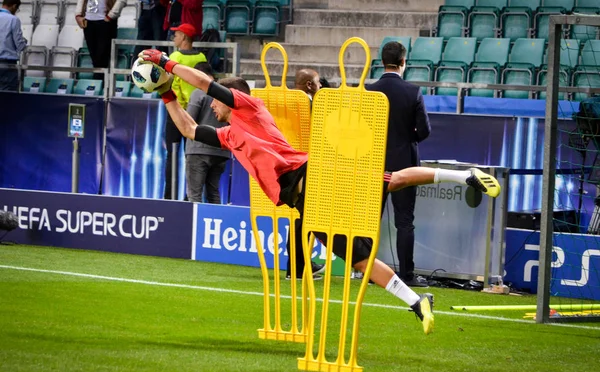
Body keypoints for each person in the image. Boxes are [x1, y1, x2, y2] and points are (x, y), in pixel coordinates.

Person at [139, 49, 502, 335]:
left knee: (390, 180)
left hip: (314, 175)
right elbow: (188, 130)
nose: (211, 107)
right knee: (359, 258)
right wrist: (168, 93)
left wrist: (166, 62)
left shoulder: (249, 107)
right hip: (303, 201)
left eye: (216, 102)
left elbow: (204, 83)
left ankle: (463, 176)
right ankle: (416, 301)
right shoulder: (228, 135)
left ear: (230, 97)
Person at [367, 41, 431, 288]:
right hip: (404, 166)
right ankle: (407, 274)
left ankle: (370, 271)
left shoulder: (370, 91)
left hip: (374, 166)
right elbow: (424, 131)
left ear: (382, 62)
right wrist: (407, 139)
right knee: (404, 221)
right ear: (403, 62)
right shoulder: (413, 91)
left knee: (371, 220)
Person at [285, 67, 324, 280]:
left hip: (288, 164)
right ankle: (298, 268)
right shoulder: (309, 104)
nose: (320, 87)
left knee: (301, 216)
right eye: (318, 83)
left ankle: (299, 264)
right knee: (305, 216)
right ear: (309, 84)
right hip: (306, 164)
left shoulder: (285, 101)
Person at [162, 23, 207, 200]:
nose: (174, 38)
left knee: (172, 155)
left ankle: (169, 197)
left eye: (177, 35)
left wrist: (177, 107)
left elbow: (172, 84)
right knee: (193, 157)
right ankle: (191, 197)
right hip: (196, 112)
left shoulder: (174, 56)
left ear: (184, 38)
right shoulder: (202, 57)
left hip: (177, 112)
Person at [185, 61, 229, 204]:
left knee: (194, 195)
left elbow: (188, 121)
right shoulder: (226, 93)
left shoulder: (198, 93)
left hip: (198, 150)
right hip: (221, 151)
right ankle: (217, 223)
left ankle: (192, 225)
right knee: (213, 193)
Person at [75, 0, 127, 81]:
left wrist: (111, 15)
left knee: (102, 56)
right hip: (89, 22)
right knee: (94, 57)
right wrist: (78, 14)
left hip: (106, 21)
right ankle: (98, 85)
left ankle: (99, 84)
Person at [0, 0, 26, 91]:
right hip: (7, 64)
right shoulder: (13, 19)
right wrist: (24, 42)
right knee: (8, 95)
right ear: (14, 6)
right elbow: (20, 45)